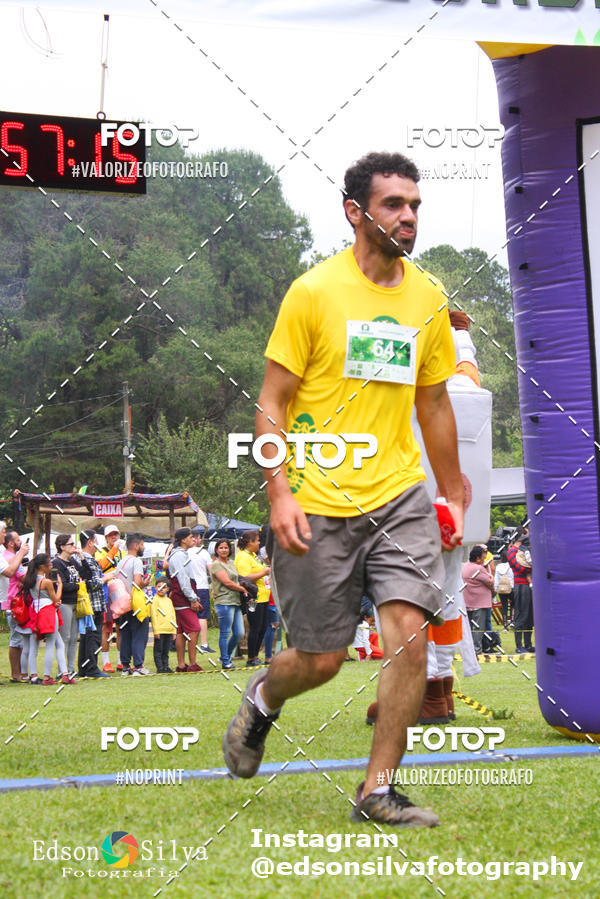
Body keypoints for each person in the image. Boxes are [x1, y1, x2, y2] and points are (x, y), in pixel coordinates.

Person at [223, 151, 464, 828]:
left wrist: (452, 488)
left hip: (398, 493)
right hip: (317, 499)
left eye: (414, 204)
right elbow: (271, 400)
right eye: (393, 204)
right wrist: (278, 491)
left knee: (409, 636)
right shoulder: (313, 293)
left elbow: (435, 402)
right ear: (355, 212)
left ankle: (377, 791)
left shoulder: (427, 296)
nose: (408, 216)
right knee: (322, 659)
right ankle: (265, 697)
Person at [24, 553, 73, 686]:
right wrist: (60, 585)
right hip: (48, 612)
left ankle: (59, 674)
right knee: (52, 644)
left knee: (37, 645)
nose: (51, 566)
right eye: (49, 564)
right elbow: (56, 598)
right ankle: (47, 676)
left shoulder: (30, 579)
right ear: (42, 566)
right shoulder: (45, 582)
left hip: (35, 612)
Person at [116, 533, 152, 676]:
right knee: (139, 634)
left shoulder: (121, 561)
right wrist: (146, 582)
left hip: (123, 603)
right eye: (142, 544)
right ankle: (138, 666)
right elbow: (137, 583)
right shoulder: (136, 561)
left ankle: (125, 666)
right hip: (135, 603)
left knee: (126, 634)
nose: (143, 547)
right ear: (136, 546)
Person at [168, 527, 203, 673]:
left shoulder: (181, 554)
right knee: (195, 628)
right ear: (183, 540)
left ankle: (182, 665)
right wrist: (192, 598)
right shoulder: (179, 555)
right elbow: (183, 579)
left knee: (182, 631)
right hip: (182, 597)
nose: (193, 539)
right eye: (190, 537)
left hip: (181, 596)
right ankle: (192, 664)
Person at [234, 531, 270, 667]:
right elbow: (244, 578)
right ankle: (251, 657)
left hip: (264, 597)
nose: (259, 543)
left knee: (262, 627)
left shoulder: (253, 556)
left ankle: (255, 655)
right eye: (257, 540)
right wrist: (264, 572)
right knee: (255, 627)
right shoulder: (243, 557)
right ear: (250, 542)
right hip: (253, 599)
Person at [77, 530, 111, 679]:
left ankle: (84, 668)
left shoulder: (84, 559)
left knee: (86, 637)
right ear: (90, 542)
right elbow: (92, 583)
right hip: (93, 604)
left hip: (88, 604)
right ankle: (91, 668)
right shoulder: (88, 560)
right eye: (96, 541)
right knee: (93, 637)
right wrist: (106, 577)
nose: (98, 545)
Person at [211, 538, 248, 669]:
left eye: (226, 547)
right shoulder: (216, 564)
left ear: (230, 549)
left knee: (239, 633)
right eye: (221, 547)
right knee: (225, 633)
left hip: (236, 601)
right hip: (224, 602)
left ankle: (224, 656)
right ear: (216, 550)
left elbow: (237, 579)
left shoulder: (231, 563)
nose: (224, 550)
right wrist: (242, 589)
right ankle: (226, 661)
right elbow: (227, 582)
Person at [0, 526, 30, 682]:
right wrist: (22, 554)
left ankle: (18, 672)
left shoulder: (7, 556)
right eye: (18, 539)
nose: (21, 542)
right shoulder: (10, 557)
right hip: (13, 603)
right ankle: (16, 673)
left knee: (18, 638)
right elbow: (20, 576)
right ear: (11, 543)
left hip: (12, 602)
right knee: (16, 638)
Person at [53, 534, 82, 681]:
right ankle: (62, 670)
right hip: (64, 602)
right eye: (70, 544)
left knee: (73, 638)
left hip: (75, 602)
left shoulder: (73, 562)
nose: (73, 547)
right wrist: (79, 586)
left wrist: (81, 556)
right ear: (62, 546)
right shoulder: (56, 563)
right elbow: (61, 585)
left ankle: (70, 669)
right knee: (65, 637)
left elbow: (86, 574)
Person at [96, 525, 125, 672]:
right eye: (111, 535)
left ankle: (121, 660)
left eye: (116, 534)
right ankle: (106, 662)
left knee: (121, 627)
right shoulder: (100, 552)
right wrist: (113, 550)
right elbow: (101, 566)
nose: (114, 537)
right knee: (106, 628)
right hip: (106, 592)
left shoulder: (123, 552)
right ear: (106, 537)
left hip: (120, 593)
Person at [187, 525, 215, 653]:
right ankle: (203, 644)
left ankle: (191, 643)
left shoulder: (184, 552)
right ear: (196, 539)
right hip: (202, 587)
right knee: (202, 616)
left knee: (189, 615)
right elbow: (211, 571)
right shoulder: (203, 553)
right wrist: (214, 586)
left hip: (188, 587)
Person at [462, 546, 494, 655]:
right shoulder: (478, 569)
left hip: (468, 601)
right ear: (477, 558)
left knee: (470, 627)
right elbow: (490, 581)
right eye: (483, 557)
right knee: (478, 628)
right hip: (480, 602)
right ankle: (477, 650)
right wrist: (488, 569)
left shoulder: (465, 566)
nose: (484, 559)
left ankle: (470, 650)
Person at [507, 528, 535, 653]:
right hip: (521, 585)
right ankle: (519, 645)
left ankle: (528, 644)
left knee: (530, 616)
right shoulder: (511, 552)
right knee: (521, 615)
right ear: (522, 535)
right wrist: (532, 568)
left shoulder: (525, 550)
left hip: (529, 586)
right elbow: (522, 568)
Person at [151, 576, 176, 673]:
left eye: (163, 587)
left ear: (168, 589)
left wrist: (174, 630)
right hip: (160, 630)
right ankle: (160, 668)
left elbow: (172, 616)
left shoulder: (169, 601)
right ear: (155, 587)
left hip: (169, 629)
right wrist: (156, 630)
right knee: (158, 650)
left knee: (166, 650)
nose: (161, 589)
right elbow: (154, 616)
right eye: (159, 586)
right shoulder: (155, 600)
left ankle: (166, 666)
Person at [494, 549, 514, 631]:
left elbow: (496, 579)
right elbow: (513, 577)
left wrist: (496, 588)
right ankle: (512, 620)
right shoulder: (511, 566)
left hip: (501, 589)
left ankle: (505, 625)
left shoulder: (498, 567)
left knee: (504, 606)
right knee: (513, 604)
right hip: (511, 588)